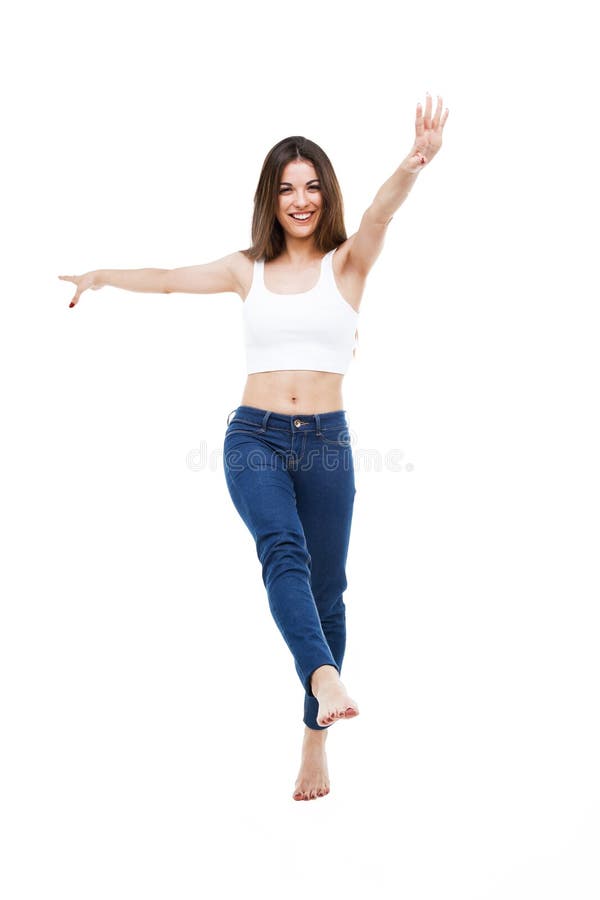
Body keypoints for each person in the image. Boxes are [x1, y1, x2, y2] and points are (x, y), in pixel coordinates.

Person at [59, 93, 449, 801]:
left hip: (327, 443)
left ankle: (314, 739)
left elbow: (381, 214)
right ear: (270, 200)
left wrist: (413, 164)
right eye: (285, 189)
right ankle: (324, 676)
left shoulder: (349, 262)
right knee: (283, 551)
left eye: (310, 186)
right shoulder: (247, 268)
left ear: (324, 192)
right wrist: (102, 275)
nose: (299, 200)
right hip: (255, 438)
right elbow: (174, 280)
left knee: (328, 592)